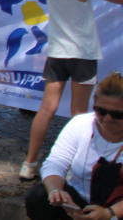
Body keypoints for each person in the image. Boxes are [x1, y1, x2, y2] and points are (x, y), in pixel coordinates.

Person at [20, 0, 123, 180]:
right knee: (79, 115)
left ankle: (29, 163)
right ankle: (73, 168)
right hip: (82, 55)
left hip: (57, 54)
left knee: (46, 109)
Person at [24, 72, 123, 220]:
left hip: (116, 208)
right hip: (78, 202)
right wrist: (56, 192)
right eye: (101, 111)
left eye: (118, 114)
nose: (107, 119)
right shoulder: (81, 123)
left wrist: (110, 213)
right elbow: (55, 163)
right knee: (39, 195)